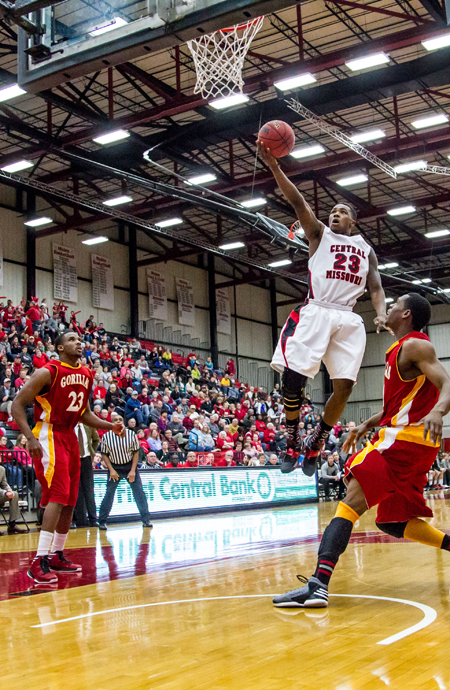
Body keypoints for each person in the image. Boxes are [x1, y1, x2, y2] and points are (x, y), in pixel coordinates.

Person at [273, 293, 450, 608]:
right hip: (413, 444)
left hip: (401, 441)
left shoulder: (415, 345)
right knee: (392, 521)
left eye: (394, 305)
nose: (389, 308)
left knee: (349, 505)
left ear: (406, 314)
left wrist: (438, 412)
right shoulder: (400, 350)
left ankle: (318, 585)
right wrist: (364, 426)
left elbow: (447, 384)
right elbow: (396, 407)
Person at [257, 141, 387, 476]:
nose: (336, 213)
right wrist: (274, 166)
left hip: (348, 316)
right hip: (317, 309)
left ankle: (317, 441)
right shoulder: (318, 234)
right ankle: (291, 439)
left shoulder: (365, 249)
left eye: (343, 211)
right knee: (292, 378)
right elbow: (297, 200)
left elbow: (375, 287)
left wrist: (382, 312)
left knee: (344, 386)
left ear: (353, 222)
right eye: (333, 210)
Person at [11, 332, 126, 585]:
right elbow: (17, 404)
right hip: (49, 433)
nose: (79, 341)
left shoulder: (86, 373)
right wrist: (29, 438)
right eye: (72, 339)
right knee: (58, 494)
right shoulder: (47, 372)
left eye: (80, 339)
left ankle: (56, 555)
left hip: (70, 435)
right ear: (60, 347)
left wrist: (110, 425)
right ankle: (38, 561)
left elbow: (84, 413)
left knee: (71, 499)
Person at [98, 415, 152, 530]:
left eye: (120, 420)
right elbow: (105, 455)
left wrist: (132, 470)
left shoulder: (131, 434)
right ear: (111, 423)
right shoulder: (106, 436)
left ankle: (146, 519)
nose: (118, 422)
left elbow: (135, 453)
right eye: (115, 420)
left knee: (139, 493)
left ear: (123, 422)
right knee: (109, 494)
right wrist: (111, 470)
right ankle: (102, 521)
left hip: (129, 465)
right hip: (114, 466)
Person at [73, 423, 100, 527]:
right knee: (76, 490)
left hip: (86, 459)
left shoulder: (89, 426)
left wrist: (92, 453)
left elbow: (96, 439)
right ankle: (78, 519)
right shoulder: (70, 426)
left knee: (89, 490)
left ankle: (93, 519)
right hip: (73, 460)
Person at [0, 461, 27, 534]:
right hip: (1, 493)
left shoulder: (2, 469)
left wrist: (9, 490)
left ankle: (12, 525)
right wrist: (5, 492)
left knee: (14, 494)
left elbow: (4, 484)